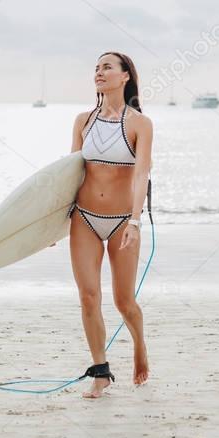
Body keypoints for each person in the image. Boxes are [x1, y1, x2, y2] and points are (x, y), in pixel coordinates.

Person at [68, 52, 153, 399]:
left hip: (121, 221)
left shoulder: (139, 124)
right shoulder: (83, 120)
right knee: (89, 297)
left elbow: (142, 174)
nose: (99, 73)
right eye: (96, 68)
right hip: (84, 218)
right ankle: (100, 371)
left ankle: (139, 345)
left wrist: (135, 221)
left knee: (124, 301)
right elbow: (69, 173)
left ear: (125, 77)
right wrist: (50, 225)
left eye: (107, 67)